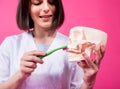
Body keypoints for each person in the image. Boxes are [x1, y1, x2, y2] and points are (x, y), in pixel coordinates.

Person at [0, 0, 105, 89]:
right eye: (37, 3)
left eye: (51, 2)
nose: (46, 8)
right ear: (26, 8)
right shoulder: (10, 45)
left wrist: (89, 81)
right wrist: (21, 74)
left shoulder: (73, 47)